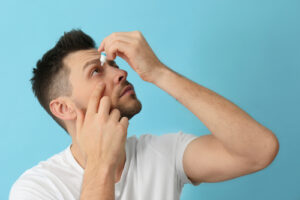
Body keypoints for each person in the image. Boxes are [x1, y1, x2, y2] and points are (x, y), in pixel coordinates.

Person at [9, 29, 279, 200]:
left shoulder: (162, 153)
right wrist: (102, 163)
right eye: (96, 71)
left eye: (114, 65)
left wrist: (159, 72)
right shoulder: (35, 189)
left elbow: (259, 150)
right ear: (63, 108)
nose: (120, 72)